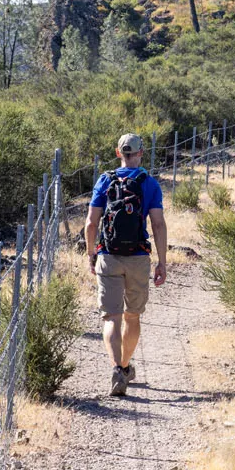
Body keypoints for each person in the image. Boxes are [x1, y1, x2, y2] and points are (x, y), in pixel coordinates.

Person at [85, 133, 167, 396]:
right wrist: (162, 262)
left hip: (108, 255)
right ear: (141, 152)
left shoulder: (105, 181)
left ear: (118, 152)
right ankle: (125, 365)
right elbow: (158, 224)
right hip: (138, 257)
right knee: (132, 316)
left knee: (111, 317)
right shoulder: (149, 183)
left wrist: (90, 254)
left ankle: (117, 370)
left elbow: (91, 223)